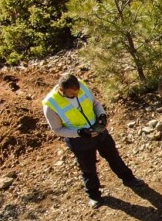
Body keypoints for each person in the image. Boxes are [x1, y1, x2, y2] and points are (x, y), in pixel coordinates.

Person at [42, 73, 143, 208]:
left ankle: (129, 179)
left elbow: (95, 103)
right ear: (61, 90)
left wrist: (101, 115)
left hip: (99, 131)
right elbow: (57, 130)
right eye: (72, 94)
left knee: (114, 157)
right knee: (88, 169)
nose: (76, 95)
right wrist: (79, 132)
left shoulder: (82, 86)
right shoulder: (51, 104)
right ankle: (94, 196)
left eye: (77, 92)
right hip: (80, 141)